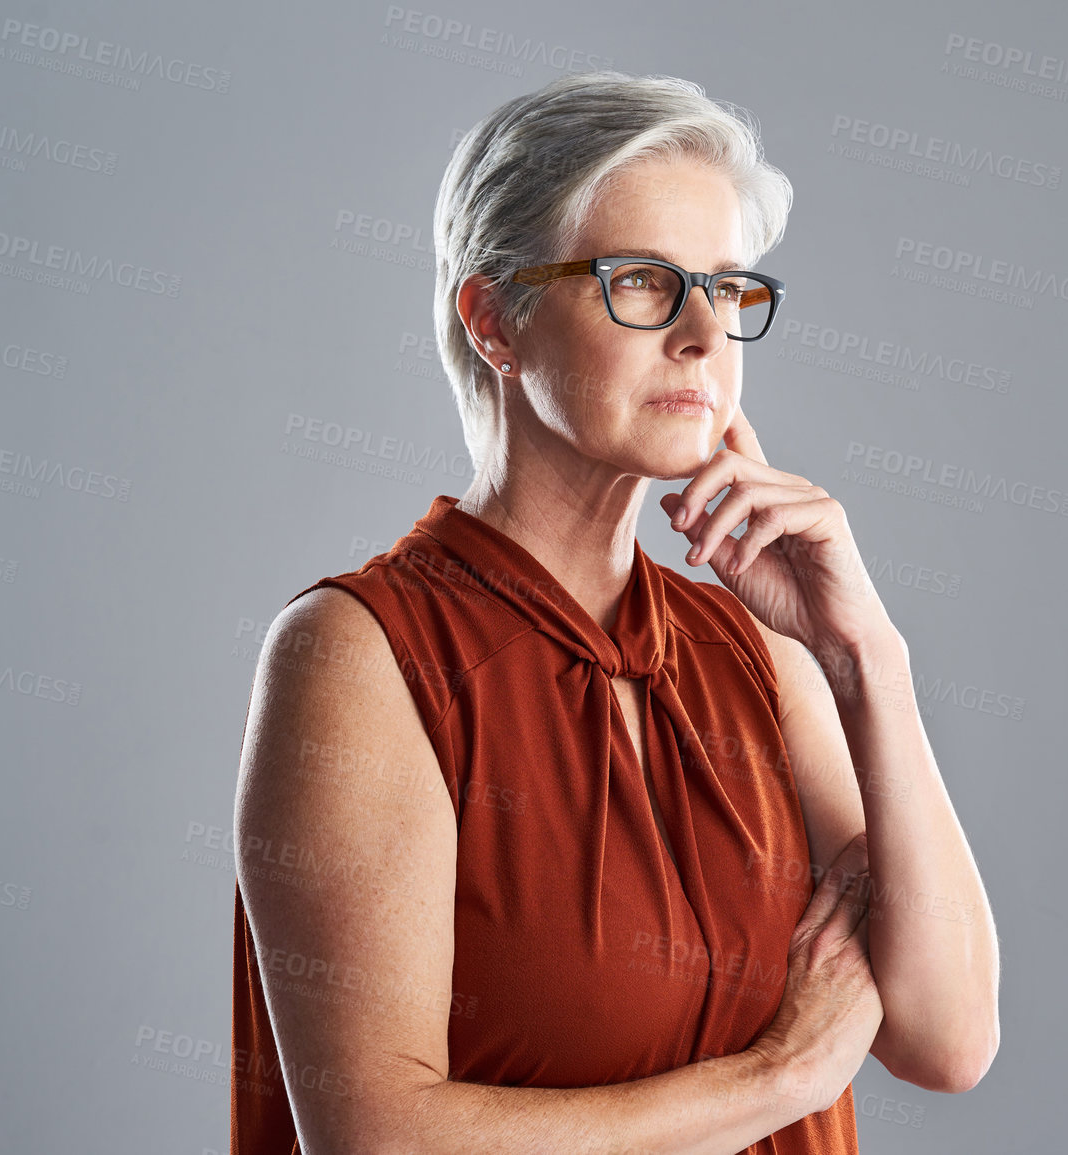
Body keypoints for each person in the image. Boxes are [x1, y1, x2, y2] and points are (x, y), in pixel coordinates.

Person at [231, 70, 999, 1155]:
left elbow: (948, 1038)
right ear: (496, 318)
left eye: (727, 289)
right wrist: (787, 1073)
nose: (702, 335)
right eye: (643, 281)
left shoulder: (758, 653)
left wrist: (865, 654)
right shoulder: (363, 655)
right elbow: (380, 1140)